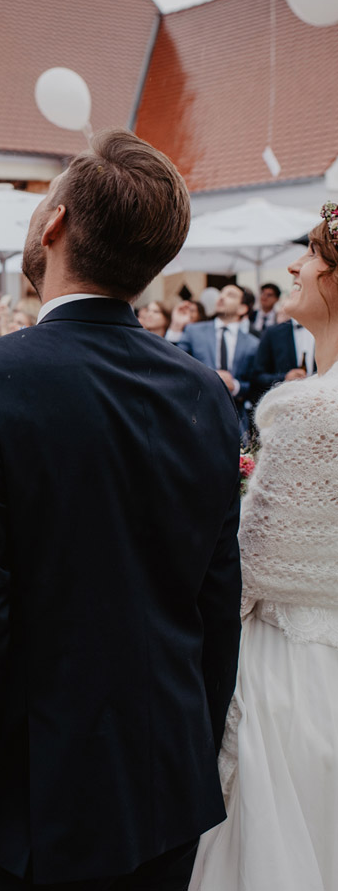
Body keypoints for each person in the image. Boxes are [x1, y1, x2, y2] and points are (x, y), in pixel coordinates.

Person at [0, 129, 242, 888]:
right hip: (162, 795)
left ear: (53, 225)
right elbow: (214, 621)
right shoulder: (205, 395)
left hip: (23, 815)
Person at [190, 206, 338, 890]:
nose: (293, 268)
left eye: (308, 255)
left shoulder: (307, 412)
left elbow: (249, 569)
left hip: (291, 671)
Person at [168, 285, 260, 434]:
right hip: (195, 414)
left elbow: (255, 384)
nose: (221, 297)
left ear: (242, 308)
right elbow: (174, 363)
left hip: (234, 419)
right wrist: (176, 326)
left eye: (230, 295)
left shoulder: (253, 344)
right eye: (221, 293)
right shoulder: (193, 331)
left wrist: (235, 386)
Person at [249, 310, 316, 406]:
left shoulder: (329, 332)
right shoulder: (273, 333)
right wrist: (284, 378)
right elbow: (257, 376)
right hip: (283, 406)